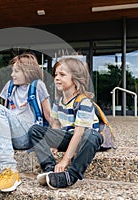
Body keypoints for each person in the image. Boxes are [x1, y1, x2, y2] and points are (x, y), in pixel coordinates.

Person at [0, 53, 51, 192]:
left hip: (27, 135)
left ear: (28, 72)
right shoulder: (10, 86)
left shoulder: (38, 85)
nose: (12, 75)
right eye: (12, 71)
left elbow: (48, 115)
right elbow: (5, 111)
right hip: (10, 135)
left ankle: (10, 169)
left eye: (16, 71)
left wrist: (55, 140)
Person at [28, 57, 104, 189]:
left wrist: (64, 160)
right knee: (35, 130)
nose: (57, 78)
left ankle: (70, 176)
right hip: (68, 137)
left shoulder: (84, 101)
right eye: (56, 74)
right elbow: (56, 123)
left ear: (75, 79)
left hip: (84, 140)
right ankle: (49, 167)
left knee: (93, 136)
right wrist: (55, 144)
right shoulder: (58, 101)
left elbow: (79, 133)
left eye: (62, 75)